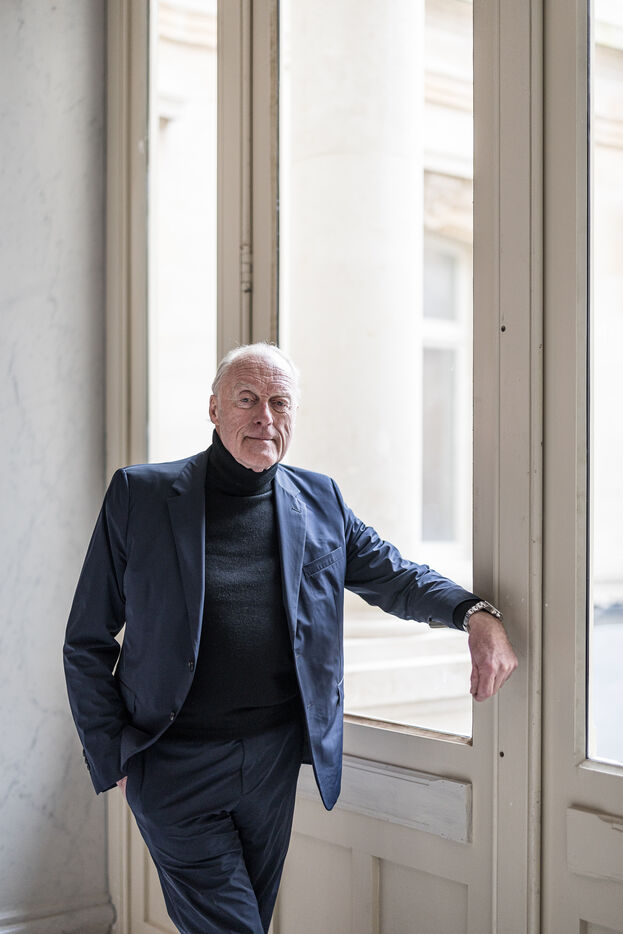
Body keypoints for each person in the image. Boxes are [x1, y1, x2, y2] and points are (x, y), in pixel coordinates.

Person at [63, 342, 517, 934]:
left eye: (280, 403)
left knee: (248, 918)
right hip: (172, 764)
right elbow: (87, 639)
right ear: (214, 409)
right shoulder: (140, 495)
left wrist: (475, 613)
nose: (265, 417)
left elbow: (396, 576)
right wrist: (116, 757)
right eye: (247, 400)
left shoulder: (320, 499)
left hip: (272, 764)